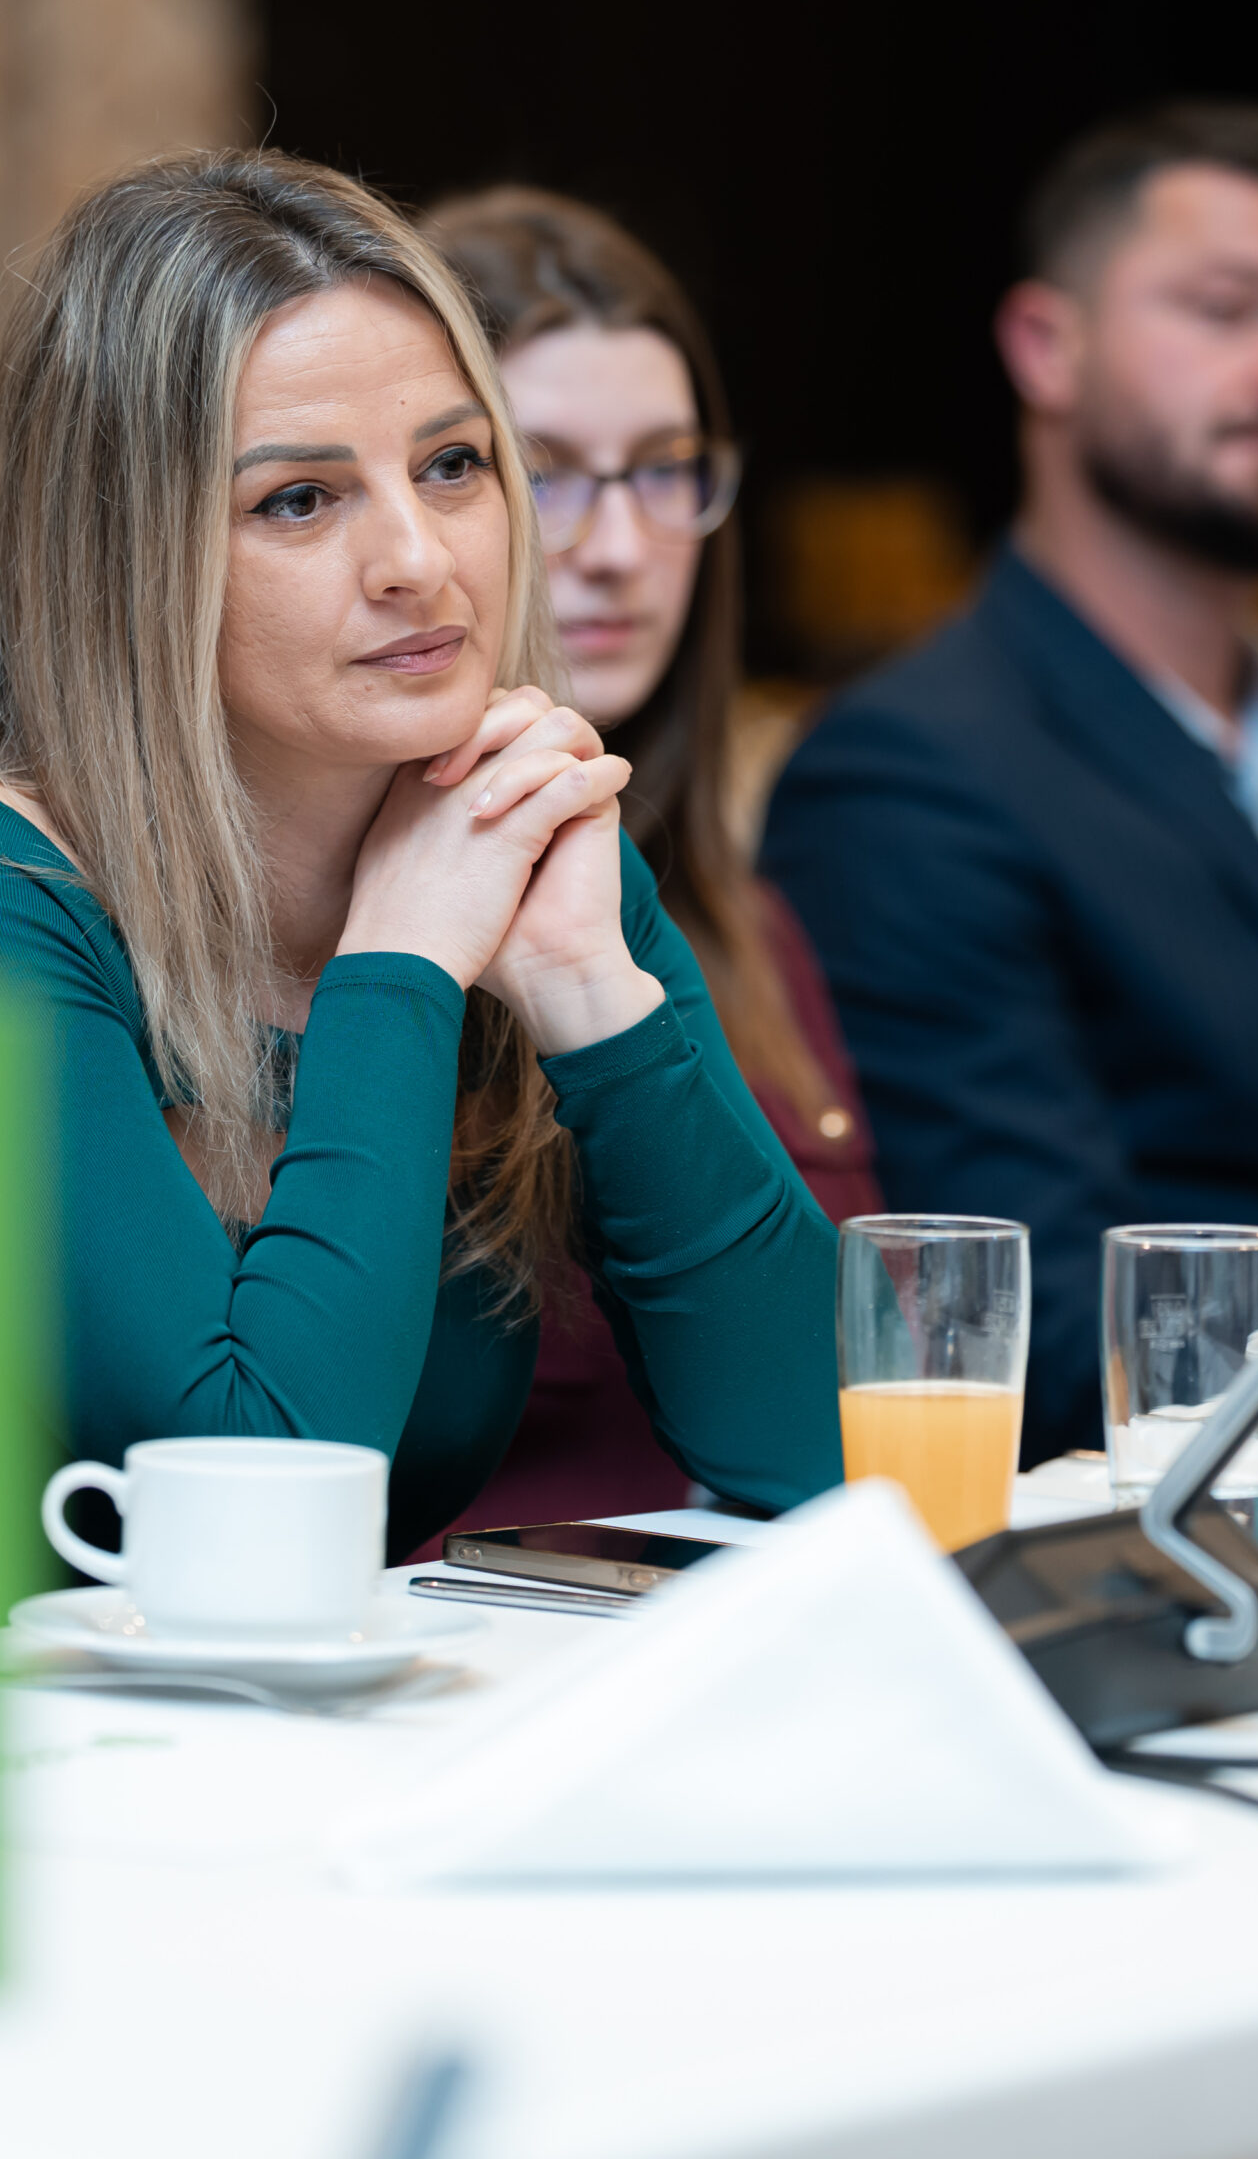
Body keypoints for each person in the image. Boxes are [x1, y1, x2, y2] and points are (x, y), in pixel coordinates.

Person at [0, 149, 841, 1558]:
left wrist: (594, 993)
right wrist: (397, 970)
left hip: (361, 1699)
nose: (420, 560)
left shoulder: (510, 839)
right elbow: (249, 1506)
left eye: (454, 466)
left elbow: (820, 1449)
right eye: (299, 500)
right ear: (125, 558)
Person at [763, 100, 1258, 1469]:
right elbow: (1030, 1319)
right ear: (1048, 346)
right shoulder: (905, 771)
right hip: (1180, 1515)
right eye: (1227, 308)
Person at [422, 189, 881, 1533]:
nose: (623, 549)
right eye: (545, 471)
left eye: (667, 470)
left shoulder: (745, 919)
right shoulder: (367, 918)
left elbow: (851, 1419)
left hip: (747, 1619)